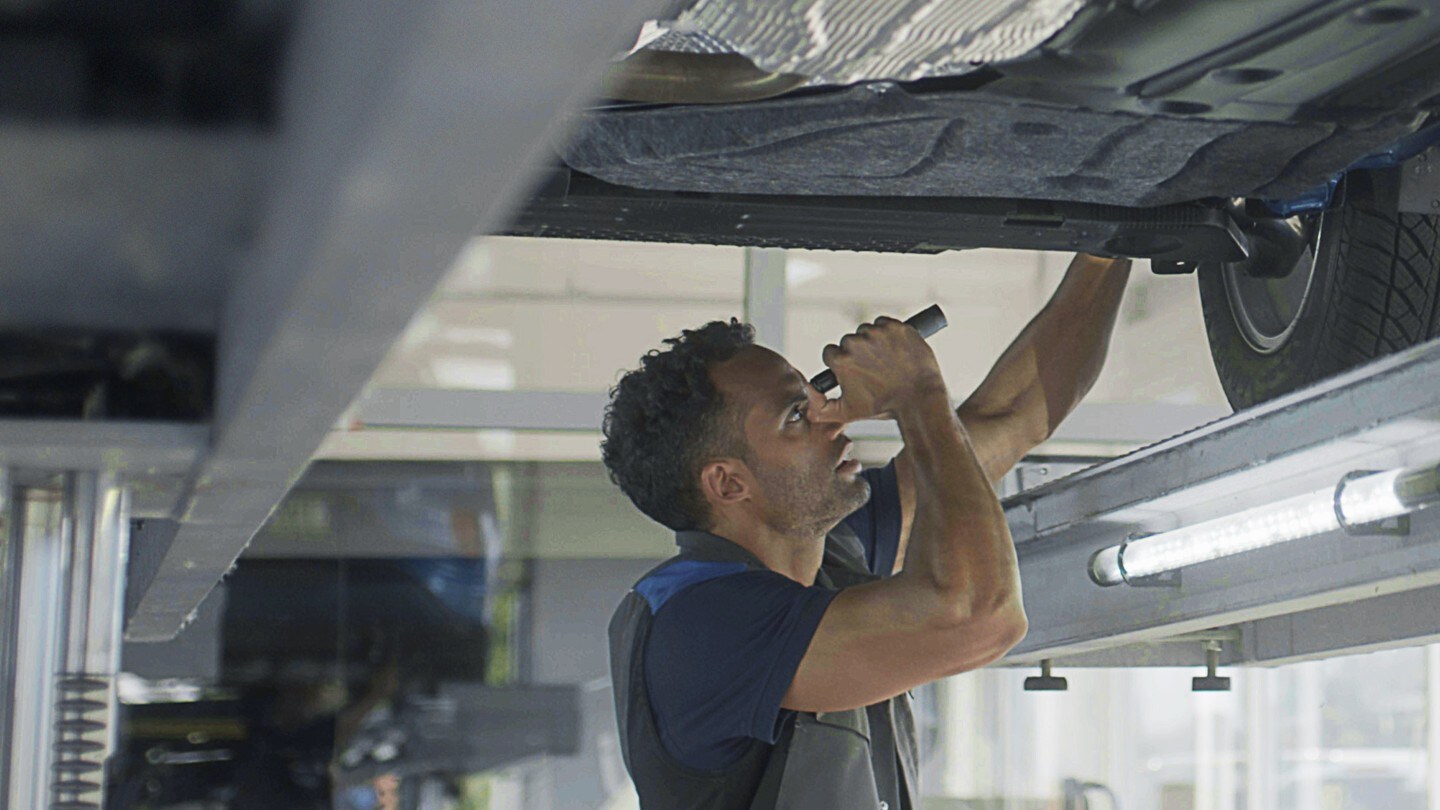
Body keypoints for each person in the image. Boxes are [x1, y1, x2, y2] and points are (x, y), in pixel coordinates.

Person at [602, 253, 1132, 809]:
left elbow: (1017, 414)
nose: (835, 418)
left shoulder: (826, 553)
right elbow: (980, 617)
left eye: (816, 397)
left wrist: (1109, 244)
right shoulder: (701, 627)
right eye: (796, 417)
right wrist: (917, 397)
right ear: (729, 484)